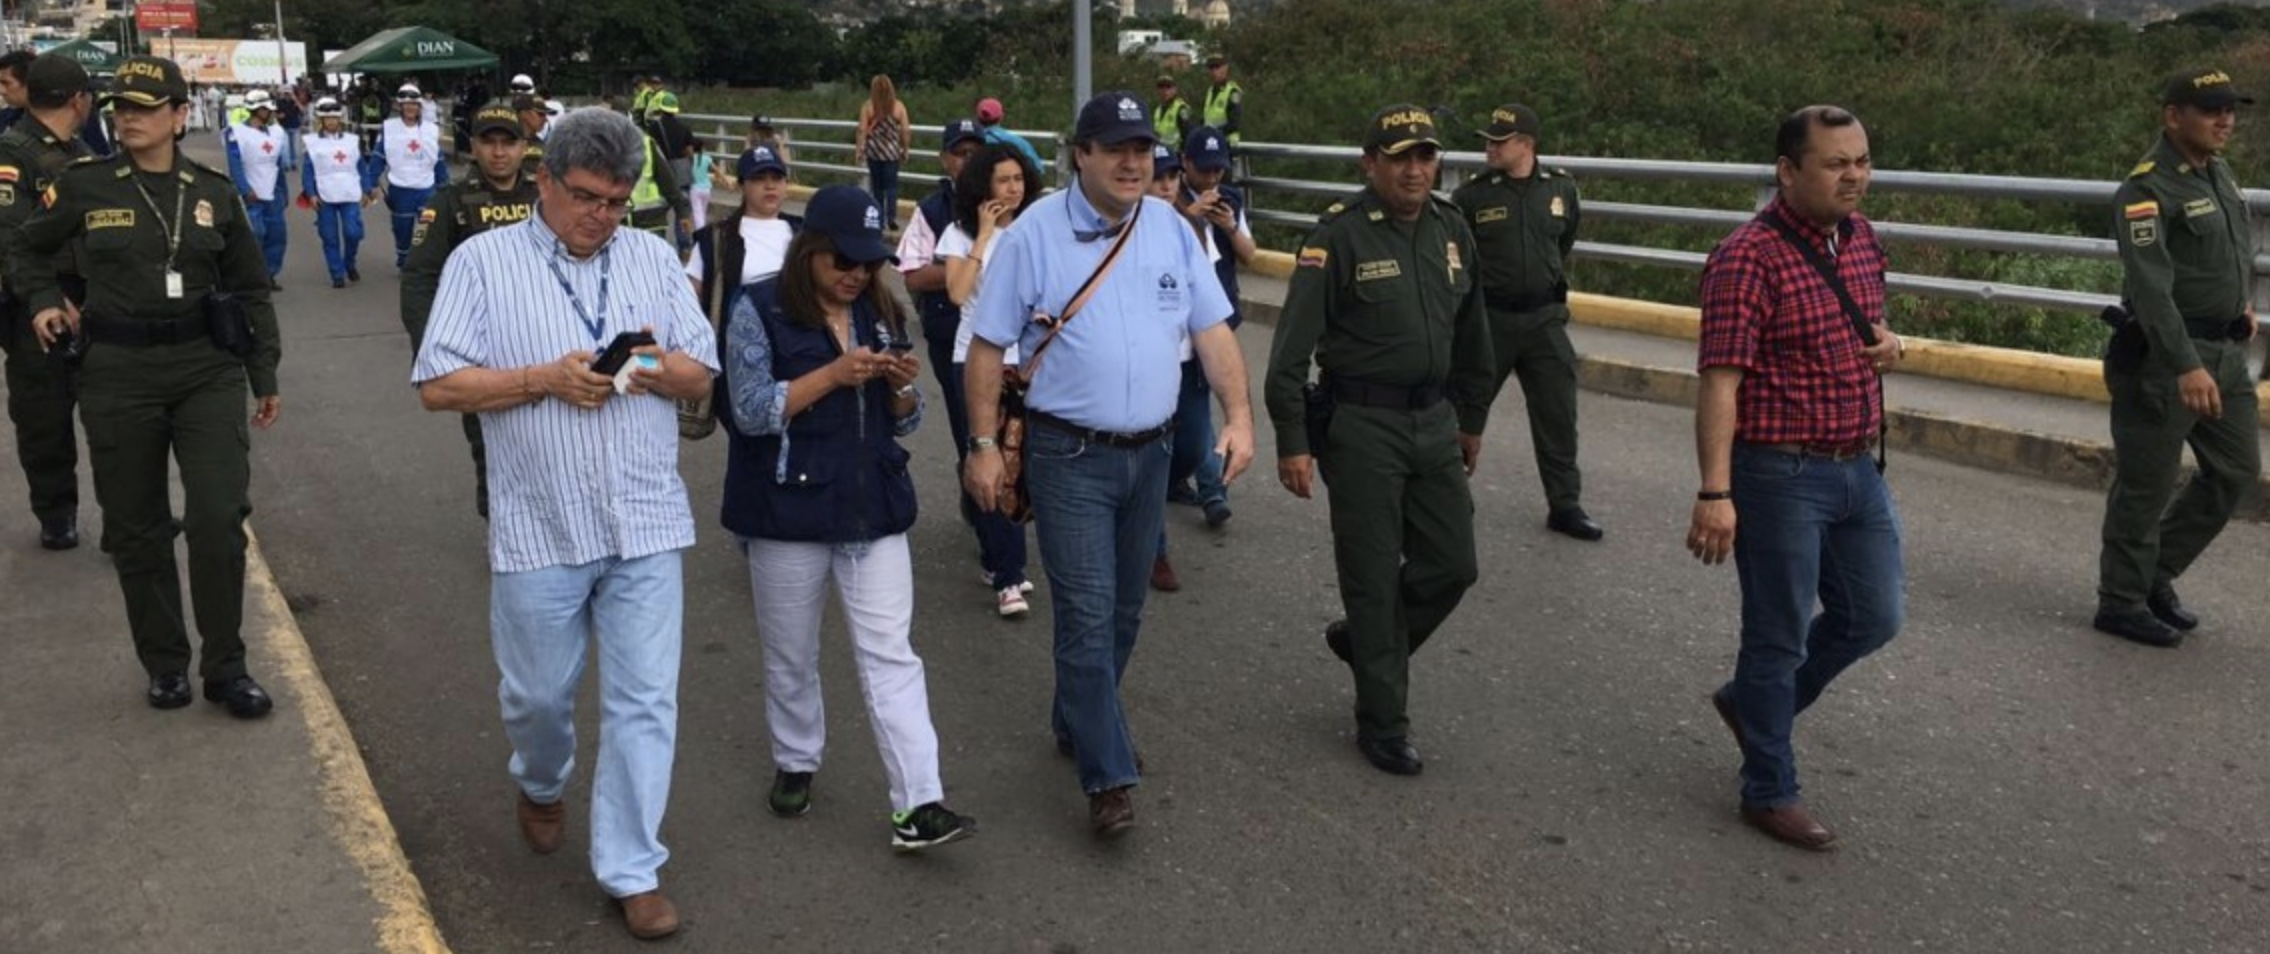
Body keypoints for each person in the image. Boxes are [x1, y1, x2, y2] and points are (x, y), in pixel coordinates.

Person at [411, 107, 719, 941]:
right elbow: (439, 385)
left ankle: (632, 868)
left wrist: (645, 367)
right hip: (539, 526)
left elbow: (700, 373)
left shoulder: (654, 257)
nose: (602, 216)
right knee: (539, 697)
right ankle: (540, 781)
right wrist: (543, 380)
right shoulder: (481, 260)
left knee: (645, 701)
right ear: (544, 182)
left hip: (646, 520)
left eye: (617, 201)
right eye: (586, 197)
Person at [963, 91, 1255, 838]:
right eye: (1115, 147)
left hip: (1150, 455)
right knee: (1088, 616)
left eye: (1143, 148)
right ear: (1079, 154)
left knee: (1126, 610)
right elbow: (989, 345)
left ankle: (1076, 718)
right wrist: (985, 445)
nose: (1134, 161)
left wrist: (1240, 416)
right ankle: (1108, 776)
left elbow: (1213, 330)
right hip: (1068, 454)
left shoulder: (1169, 228)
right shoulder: (1033, 234)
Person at [18, 55, 283, 718]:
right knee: (137, 528)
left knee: (218, 517)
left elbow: (251, 288)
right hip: (117, 372)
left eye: (143, 106)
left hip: (204, 368)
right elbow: (26, 247)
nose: (128, 118)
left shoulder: (213, 192)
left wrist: (263, 372)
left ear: (178, 114)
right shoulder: (86, 185)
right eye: (120, 108)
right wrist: (43, 300)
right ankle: (165, 663)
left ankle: (226, 666)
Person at [717, 184, 976, 850]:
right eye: (843, 261)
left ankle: (919, 801)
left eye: (867, 263)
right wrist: (834, 375)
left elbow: (910, 418)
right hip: (785, 509)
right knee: (791, 654)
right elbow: (748, 411)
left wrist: (901, 387)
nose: (856, 275)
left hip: (871, 504)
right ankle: (796, 759)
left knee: (892, 653)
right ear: (810, 251)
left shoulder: (880, 309)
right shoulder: (757, 307)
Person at [1686, 104, 1907, 852]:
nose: (1855, 176)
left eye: (1863, 160)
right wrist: (1715, 493)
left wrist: (1886, 343)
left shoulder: (1863, 239)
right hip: (1780, 472)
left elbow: (1858, 327)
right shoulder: (1746, 257)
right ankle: (1768, 788)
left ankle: (1751, 707)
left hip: (1857, 468)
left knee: (1874, 617)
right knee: (1777, 638)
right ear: (1788, 171)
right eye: (1836, 163)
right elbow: (1720, 380)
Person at [1264, 105, 1495, 778]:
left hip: (1434, 419)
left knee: (1454, 564)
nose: (1416, 169)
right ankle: (1384, 722)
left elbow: (1474, 332)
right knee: (1371, 579)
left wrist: (1471, 417)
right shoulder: (1339, 237)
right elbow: (1289, 353)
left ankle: (1367, 646)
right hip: (1361, 428)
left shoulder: (1452, 228)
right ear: (1371, 164)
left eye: (1426, 157)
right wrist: (1293, 440)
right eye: (1400, 157)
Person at [2093, 69, 2262, 648]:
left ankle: (2153, 573)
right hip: (2165, 359)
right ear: (2173, 116)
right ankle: (2120, 600)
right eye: (2211, 109)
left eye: (2230, 109)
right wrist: (2186, 364)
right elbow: (2151, 288)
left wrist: (2240, 304)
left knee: (2235, 469)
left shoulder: (2215, 173)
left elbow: (2222, 252)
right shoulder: (2146, 190)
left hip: (2222, 351)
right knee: (2147, 484)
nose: (2226, 120)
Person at [1451, 103, 1600, 541]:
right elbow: (1458, 259)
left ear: (1527, 145)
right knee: (1465, 409)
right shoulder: (1473, 196)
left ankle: (1565, 504)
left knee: (1557, 413)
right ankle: (1450, 496)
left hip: (1544, 320)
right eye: (1488, 139)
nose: (1489, 147)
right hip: (1490, 319)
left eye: (1500, 140)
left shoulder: (1561, 190)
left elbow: (1565, 239)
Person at [400, 103, 541, 520]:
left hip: (543, 339)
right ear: (473, 147)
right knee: (491, 448)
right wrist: (432, 355)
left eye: (508, 142)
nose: (499, 153)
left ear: (523, 146)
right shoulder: (449, 203)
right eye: (489, 142)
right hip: (480, 353)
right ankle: (504, 530)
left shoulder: (546, 196)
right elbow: (420, 280)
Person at [940, 141, 1043, 616]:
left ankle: (993, 545)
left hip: (1029, 362)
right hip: (975, 359)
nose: (1013, 188)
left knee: (1023, 460)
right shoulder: (959, 236)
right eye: (1003, 180)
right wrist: (983, 235)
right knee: (990, 457)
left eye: (1019, 179)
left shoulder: (1038, 231)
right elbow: (959, 293)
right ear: (983, 185)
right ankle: (1009, 575)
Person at [0, 53, 96, 551]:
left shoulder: (80, 150)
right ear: (79, 99)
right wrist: (48, 298)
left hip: (94, 299)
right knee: (44, 417)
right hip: (37, 306)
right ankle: (57, 513)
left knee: (114, 413)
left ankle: (128, 517)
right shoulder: (12, 154)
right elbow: (10, 238)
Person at [1167, 125, 1250, 529]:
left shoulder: (1230, 198)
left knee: (1202, 407)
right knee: (1188, 415)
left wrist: (1229, 225)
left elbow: (1249, 254)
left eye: (1219, 169)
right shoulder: (1169, 200)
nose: (1213, 178)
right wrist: (1190, 218)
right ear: (1185, 164)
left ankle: (1211, 488)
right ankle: (1203, 484)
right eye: (1204, 169)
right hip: (1177, 325)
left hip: (1218, 315)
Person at [686, 145, 799, 335]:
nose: (769, 185)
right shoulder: (715, 239)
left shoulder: (804, 233)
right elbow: (687, 300)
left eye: (777, 178)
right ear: (741, 186)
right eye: (758, 178)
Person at [298, 97, 377, 290]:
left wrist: (367, 189)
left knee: (353, 233)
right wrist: (311, 194)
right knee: (329, 236)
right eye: (327, 118)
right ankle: (337, 273)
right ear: (321, 120)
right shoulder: (312, 142)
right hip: (325, 194)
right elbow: (308, 171)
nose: (332, 122)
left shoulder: (352, 141)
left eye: (335, 118)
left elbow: (361, 167)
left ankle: (349, 262)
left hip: (349, 192)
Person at [372, 83, 448, 268]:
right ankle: (404, 261)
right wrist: (370, 183)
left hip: (426, 189)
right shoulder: (389, 129)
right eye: (406, 104)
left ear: (419, 106)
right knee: (402, 231)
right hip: (401, 190)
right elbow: (378, 157)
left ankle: (423, 263)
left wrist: (444, 185)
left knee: (426, 229)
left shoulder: (430, 129)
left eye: (414, 104)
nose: (410, 108)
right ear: (400, 106)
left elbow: (437, 159)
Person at [226, 89, 290, 286]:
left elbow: (277, 166)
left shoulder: (276, 133)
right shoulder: (236, 132)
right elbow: (235, 164)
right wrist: (245, 189)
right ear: (255, 110)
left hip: (273, 193)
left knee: (277, 235)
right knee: (256, 234)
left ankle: (269, 274)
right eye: (265, 108)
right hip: (251, 194)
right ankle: (252, 275)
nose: (269, 112)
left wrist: (283, 191)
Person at [975, 97, 1046, 174]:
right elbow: (1038, 169)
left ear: (977, 117)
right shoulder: (1018, 142)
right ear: (1001, 117)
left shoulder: (969, 141)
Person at [1200, 55, 1244, 177]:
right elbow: (1207, 118)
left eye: (1217, 67)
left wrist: (1214, 133)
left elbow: (1234, 123)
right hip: (1212, 144)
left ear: (1225, 68)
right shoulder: (1210, 91)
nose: (1214, 71)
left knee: (1225, 183)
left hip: (1227, 144)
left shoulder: (1232, 92)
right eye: (1211, 68)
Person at [1151, 75, 1194, 147]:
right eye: (1161, 87)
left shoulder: (1181, 108)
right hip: (1161, 152)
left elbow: (1188, 134)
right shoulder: (1158, 110)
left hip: (1176, 154)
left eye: (1168, 87)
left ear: (1175, 90)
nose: (1164, 91)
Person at [0, 50, 34, 134]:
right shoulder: (7, 116)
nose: (1, 90)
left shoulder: (59, 120)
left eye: (6, 83)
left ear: (29, 82)